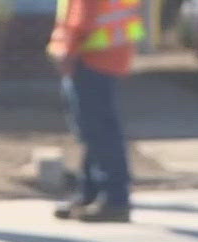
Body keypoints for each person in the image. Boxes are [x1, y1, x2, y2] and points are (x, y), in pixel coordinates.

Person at [49, 0, 146, 222]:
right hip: (109, 55)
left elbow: (81, 19)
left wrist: (68, 53)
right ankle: (90, 194)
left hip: (91, 57)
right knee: (95, 131)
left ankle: (114, 199)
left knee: (99, 131)